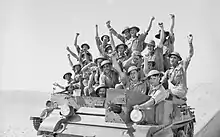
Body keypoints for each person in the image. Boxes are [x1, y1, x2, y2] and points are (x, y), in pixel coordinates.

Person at [161, 34, 194, 104]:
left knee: (165, 93)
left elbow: (190, 54)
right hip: (172, 92)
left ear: (178, 60)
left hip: (180, 91)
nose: (172, 59)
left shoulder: (182, 67)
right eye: (171, 57)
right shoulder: (168, 71)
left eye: (174, 58)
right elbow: (161, 82)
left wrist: (190, 43)